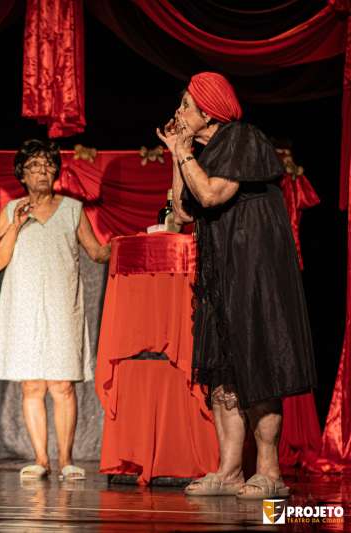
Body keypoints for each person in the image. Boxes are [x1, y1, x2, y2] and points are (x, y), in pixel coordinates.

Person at [156, 72, 317, 499]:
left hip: (255, 270)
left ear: (209, 111)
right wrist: (177, 155)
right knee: (223, 371)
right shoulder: (202, 153)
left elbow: (211, 195)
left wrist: (184, 153)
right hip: (222, 274)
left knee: (260, 366)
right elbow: (184, 212)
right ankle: (228, 471)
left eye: (186, 105)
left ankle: (270, 472)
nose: (179, 112)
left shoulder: (242, 138)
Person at [0, 139, 110, 481]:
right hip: (23, 306)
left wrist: (125, 246)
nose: (43, 171)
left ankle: (66, 459)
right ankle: (41, 460)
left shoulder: (72, 209)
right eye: (34, 166)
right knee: (32, 386)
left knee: (62, 386)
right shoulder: (11, 210)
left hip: (62, 305)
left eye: (48, 165)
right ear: (22, 175)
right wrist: (16, 224)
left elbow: (97, 252)